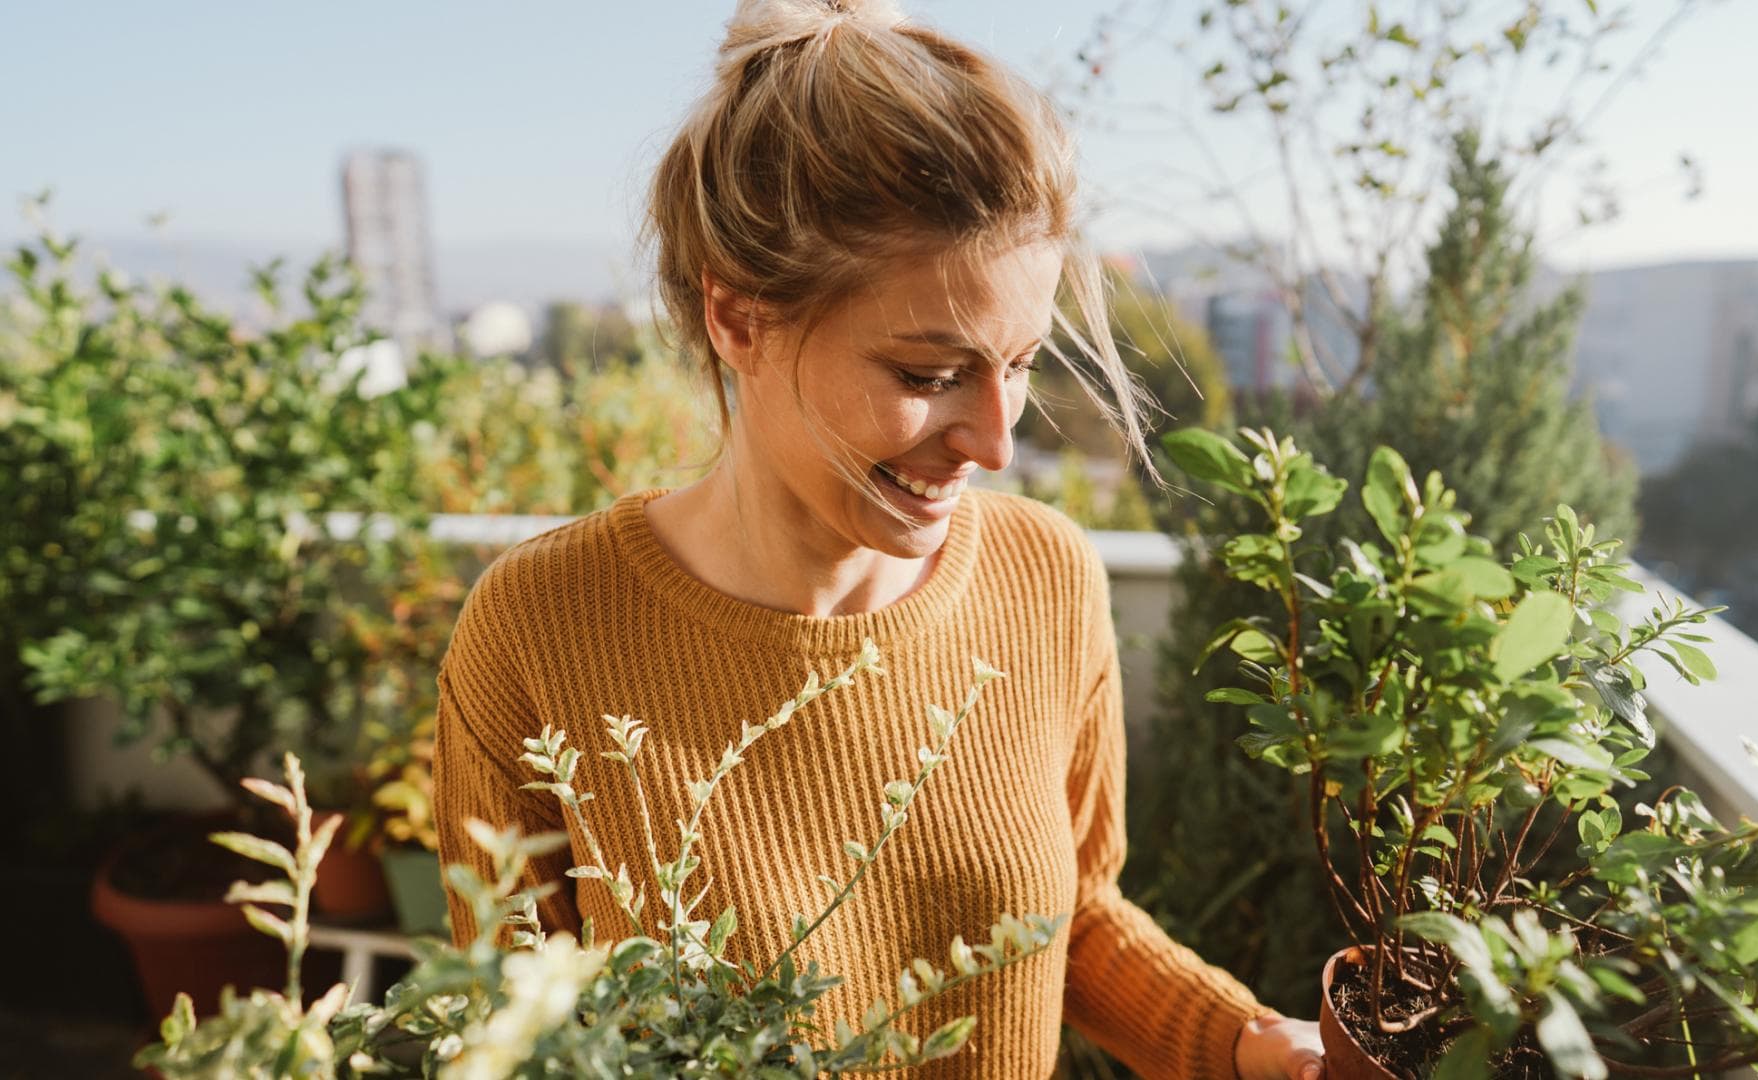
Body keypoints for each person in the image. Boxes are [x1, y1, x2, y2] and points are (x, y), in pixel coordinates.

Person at [431, 1, 1325, 1077]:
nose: (996, 442)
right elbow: (513, 1042)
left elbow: (1073, 921)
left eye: (1022, 361)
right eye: (925, 375)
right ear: (739, 318)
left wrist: (1254, 1048)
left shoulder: (1048, 580)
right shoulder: (538, 631)